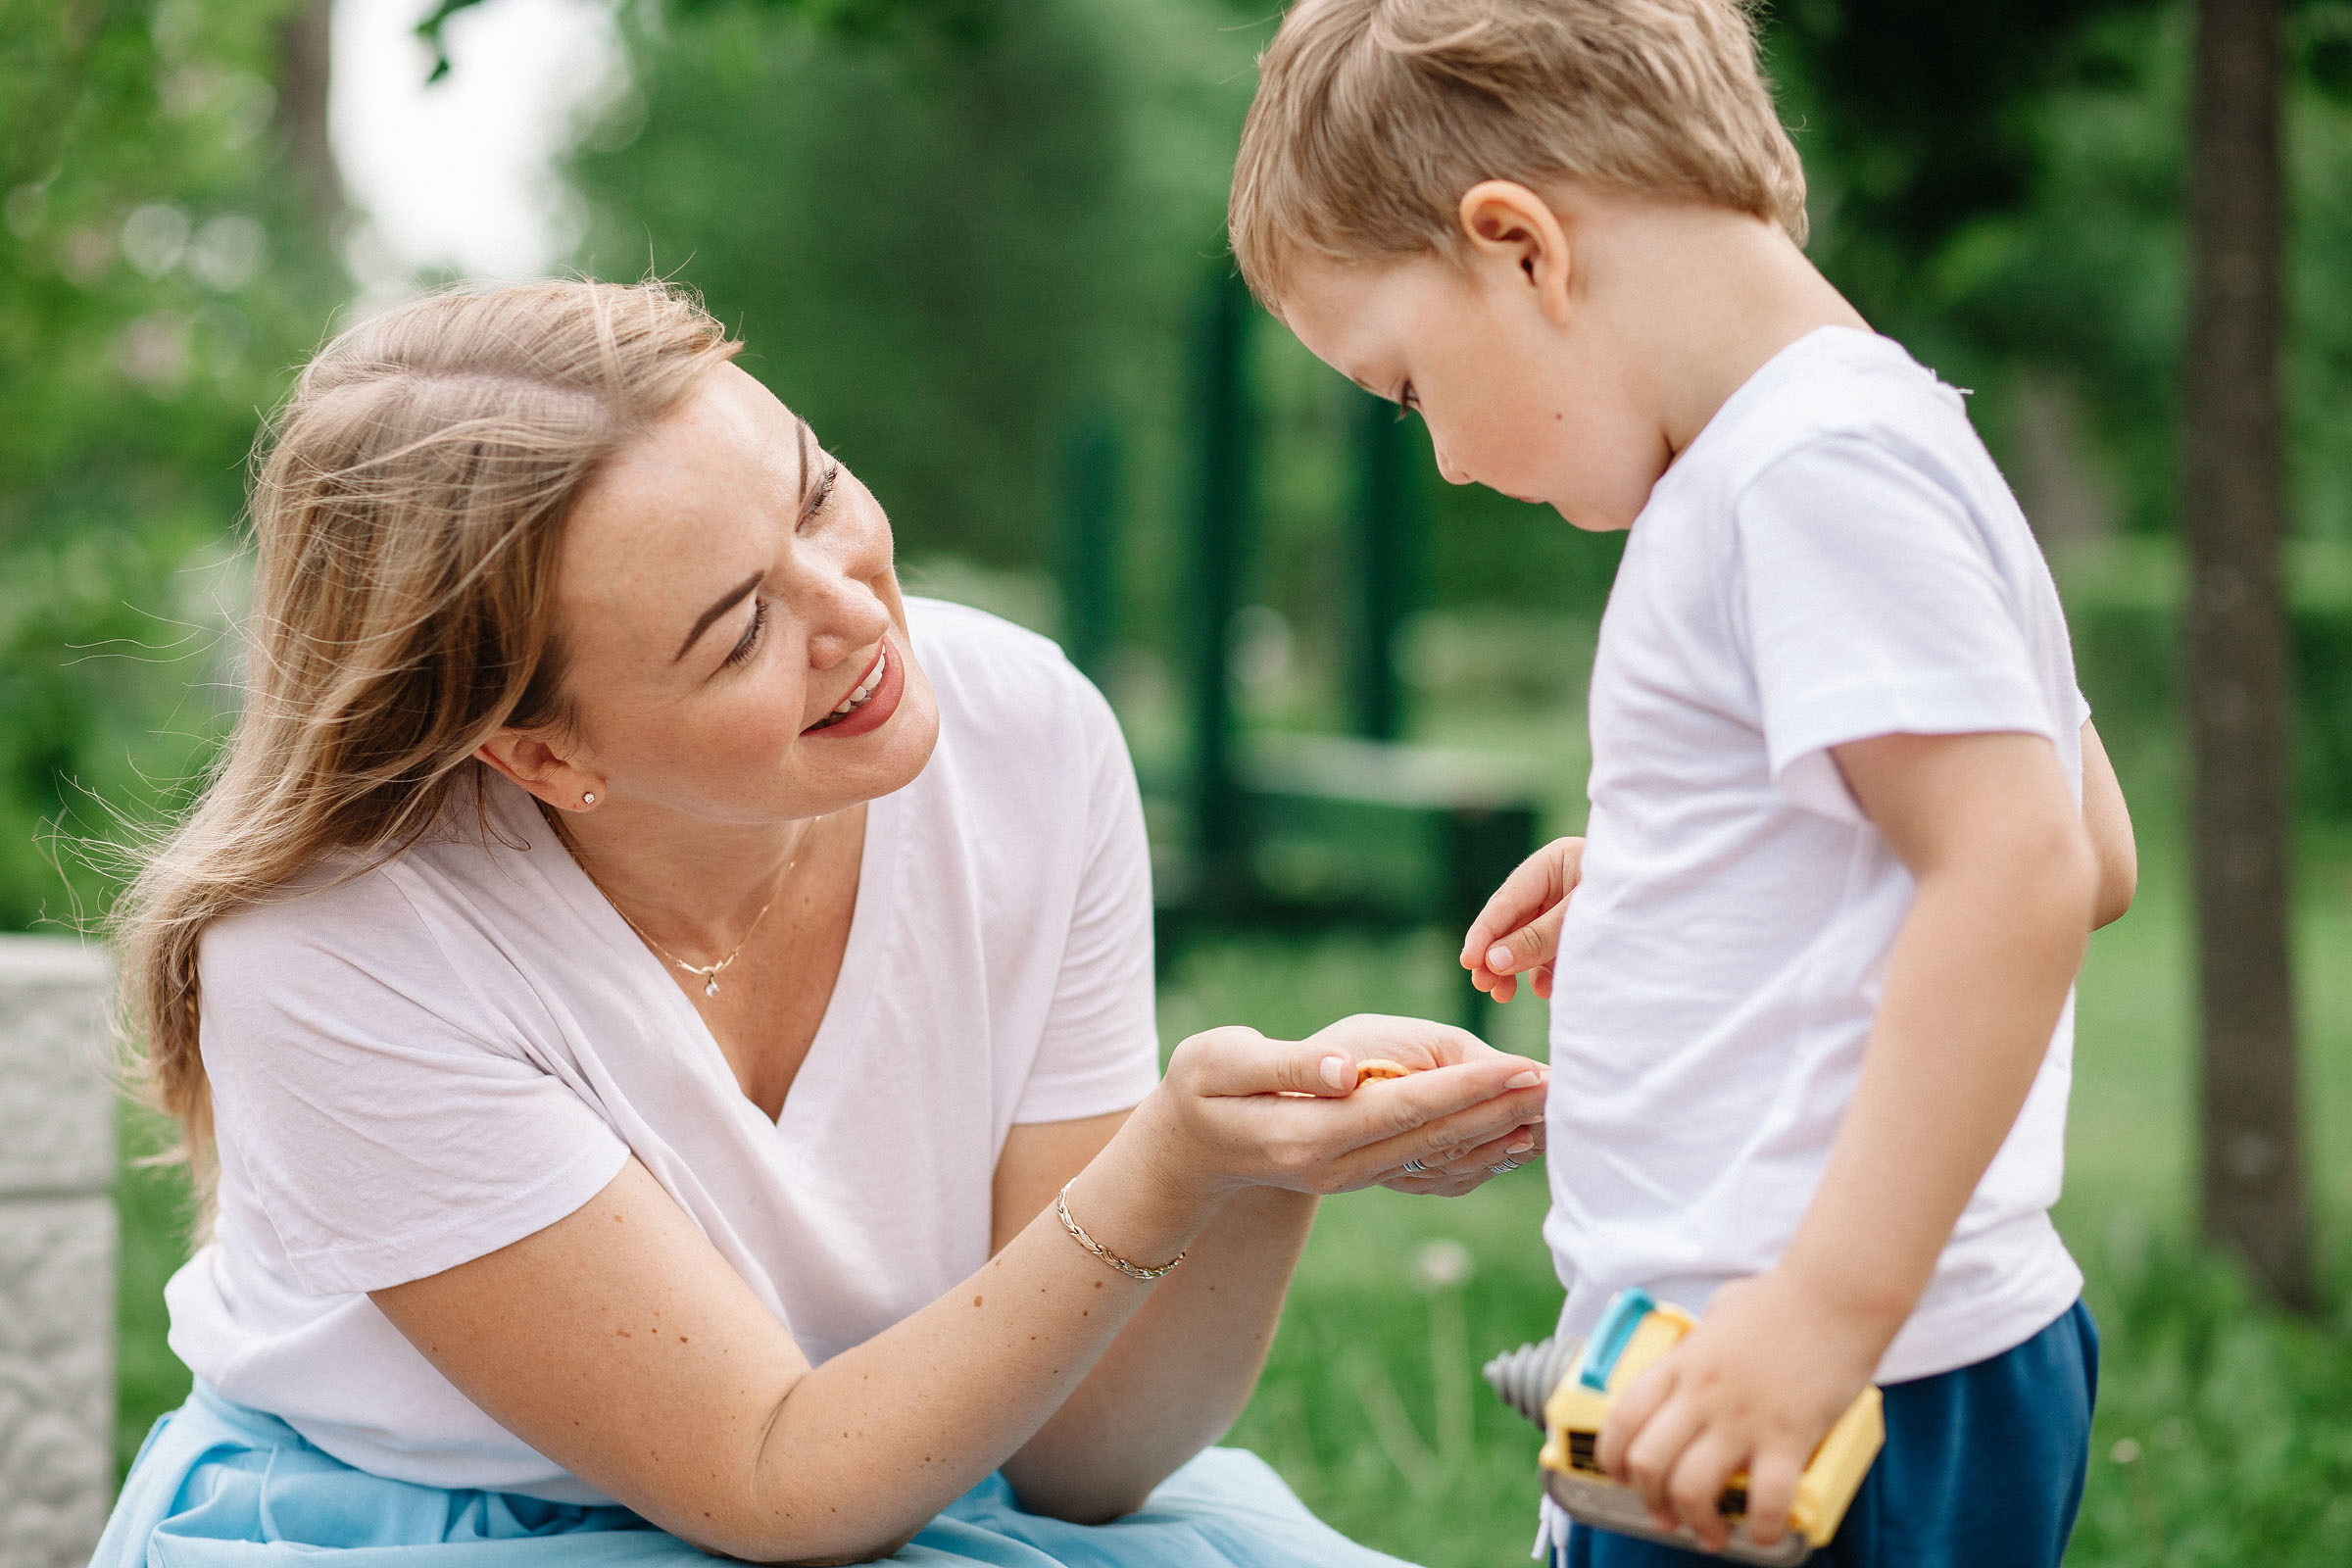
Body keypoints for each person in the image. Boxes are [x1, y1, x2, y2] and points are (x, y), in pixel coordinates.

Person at [92, 277, 1552, 1567]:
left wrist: (1252, 1164)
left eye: (815, 494)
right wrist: (1159, 1165)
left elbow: (1083, 1465)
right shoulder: (333, 951)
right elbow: (771, 1484)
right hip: (463, 1525)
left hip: (910, 1483)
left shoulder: (1026, 733)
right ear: (542, 754)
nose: (853, 610)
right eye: (739, 630)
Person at [1228, 3, 2140, 1565]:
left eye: (1408, 389)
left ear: (1520, 248)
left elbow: (2025, 872)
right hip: (1844, 1364)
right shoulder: (1876, 434)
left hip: (1814, 1383)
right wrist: (1693, 873)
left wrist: (1818, 1318)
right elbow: (2081, 839)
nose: (1445, 460)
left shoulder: (1806, 474)